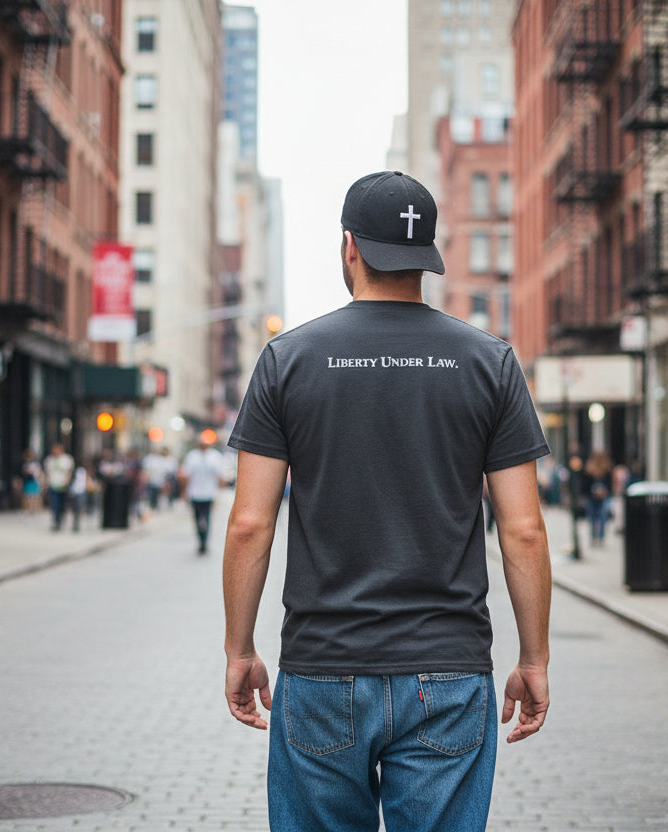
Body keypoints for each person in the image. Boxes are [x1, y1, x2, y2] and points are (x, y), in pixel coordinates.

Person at [223, 170, 553, 831]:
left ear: (351, 247)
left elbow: (250, 524)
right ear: (427, 256)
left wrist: (239, 649)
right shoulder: (489, 362)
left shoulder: (289, 359)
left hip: (322, 669)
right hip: (450, 674)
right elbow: (523, 534)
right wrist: (534, 659)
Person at [179, 435, 225, 554]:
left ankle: (204, 541)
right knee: (197, 517)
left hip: (209, 493)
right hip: (195, 493)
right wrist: (184, 492)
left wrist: (219, 491)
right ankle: (200, 539)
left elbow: (219, 475)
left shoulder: (214, 456)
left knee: (207, 517)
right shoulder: (192, 456)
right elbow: (186, 476)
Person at [583, 449, 613, 546]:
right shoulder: (589, 469)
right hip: (591, 497)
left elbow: (610, 484)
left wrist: (605, 492)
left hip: (604, 497)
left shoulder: (607, 468)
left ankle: (599, 538)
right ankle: (594, 538)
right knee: (592, 518)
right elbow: (585, 485)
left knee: (602, 517)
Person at [43, 443, 75, 531]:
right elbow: (46, 473)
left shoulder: (67, 459)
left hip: (63, 486)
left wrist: (67, 482)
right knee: (54, 504)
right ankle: (56, 522)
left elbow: (69, 472)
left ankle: (61, 520)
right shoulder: (49, 460)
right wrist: (45, 484)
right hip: (53, 485)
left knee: (62, 505)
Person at [18, 448, 43, 514]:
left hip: (34, 480)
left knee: (35, 495)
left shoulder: (35, 464)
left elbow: (39, 472)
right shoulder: (23, 463)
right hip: (27, 480)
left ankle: (35, 508)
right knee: (27, 495)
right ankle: (27, 508)